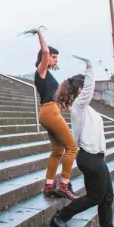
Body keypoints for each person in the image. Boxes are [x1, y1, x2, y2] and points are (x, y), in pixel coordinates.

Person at [49, 60, 114, 227]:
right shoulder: (79, 105)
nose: (87, 90)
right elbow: (89, 88)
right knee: (96, 196)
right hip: (89, 158)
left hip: (96, 158)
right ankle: (60, 216)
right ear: (80, 90)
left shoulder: (84, 109)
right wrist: (89, 67)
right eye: (84, 87)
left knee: (106, 198)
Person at [31, 30, 78, 200]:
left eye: (56, 58)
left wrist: (68, 106)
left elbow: (55, 96)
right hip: (49, 111)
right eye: (53, 57)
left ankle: (49, 186)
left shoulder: (49, 76)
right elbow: (44, 51)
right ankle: (64, 185)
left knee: (58, 150)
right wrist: (39, 34)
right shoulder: (41, 70)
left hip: (48, 110)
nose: (55, 60)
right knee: (72, 148)